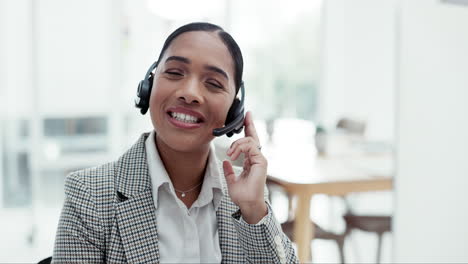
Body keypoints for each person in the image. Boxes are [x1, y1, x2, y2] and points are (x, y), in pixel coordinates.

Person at [52, 22, 298, 263]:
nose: (189, 93)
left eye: (213, 83)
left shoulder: (245, 196)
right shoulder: (88, 194)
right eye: (174, 72)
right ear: (149, 86)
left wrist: (254, 210)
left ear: (234, 110)